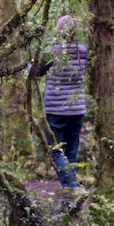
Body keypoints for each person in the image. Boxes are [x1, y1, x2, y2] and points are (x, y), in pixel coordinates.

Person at [35, 14, 87, 190]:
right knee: (71, 151)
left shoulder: (52, 51)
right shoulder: (82, 51)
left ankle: (71, 187)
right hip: (77, 109)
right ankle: (71, 187)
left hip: (56, 110)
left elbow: (35, 72)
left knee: (56, 150)